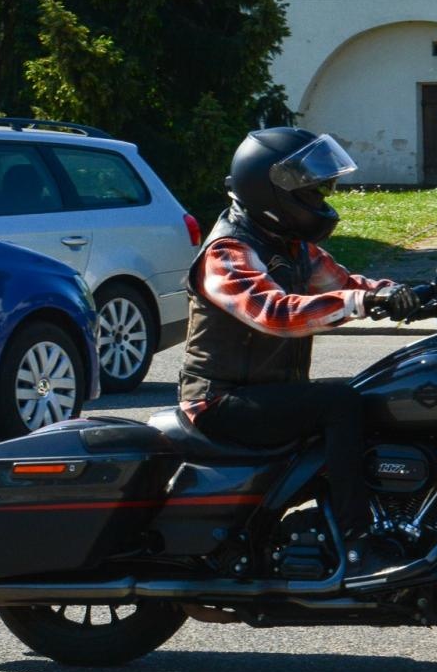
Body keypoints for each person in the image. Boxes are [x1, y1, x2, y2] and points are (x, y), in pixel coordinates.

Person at [176, 127, 418, 578]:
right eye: (310, 189)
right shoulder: (228, 252)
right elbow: (274, 313)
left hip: (266, 394)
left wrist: (403, 291)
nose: (320, 196)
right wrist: (361, 303)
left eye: (322, 188)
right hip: (219, 400)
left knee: (385, 392)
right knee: (340, 404)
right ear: (269, 190)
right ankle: (357, 544)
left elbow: (346, 284)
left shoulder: (293, 247)